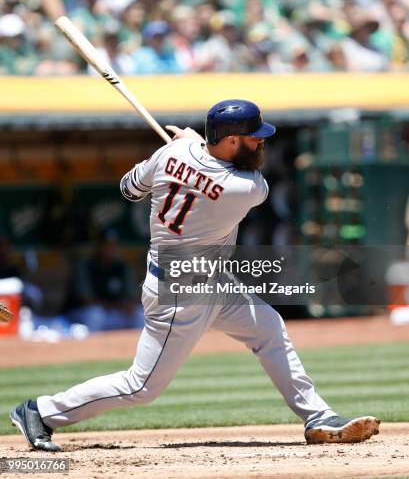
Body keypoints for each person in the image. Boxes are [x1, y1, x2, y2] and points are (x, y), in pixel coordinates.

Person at [10, 99, 380, 451]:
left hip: (210, 279)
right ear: (232, 140)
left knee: (268, 328)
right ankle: (39, 411)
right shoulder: (248, 188)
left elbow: (129, 187)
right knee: (142, 386)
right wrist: (194, 146)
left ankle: (318, 417)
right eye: (254, 137)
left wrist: (178, 154)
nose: (261, 142)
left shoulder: (172, 153)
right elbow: (228, 175)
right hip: (179, 291)